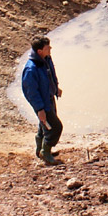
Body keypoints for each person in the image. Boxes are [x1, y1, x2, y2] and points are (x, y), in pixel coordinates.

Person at [22, 35, 63, 165]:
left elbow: (50, 75)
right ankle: (46, 152)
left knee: (44, 125)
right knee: (55, 127)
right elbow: (31, 92)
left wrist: (56, 88)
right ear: (40, 51)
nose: (50, 48)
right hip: (42, 103)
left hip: (49, 97)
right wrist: (40, 109)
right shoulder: (31, 69)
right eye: (47, 47)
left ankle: (40, 149)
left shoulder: (46, 58)